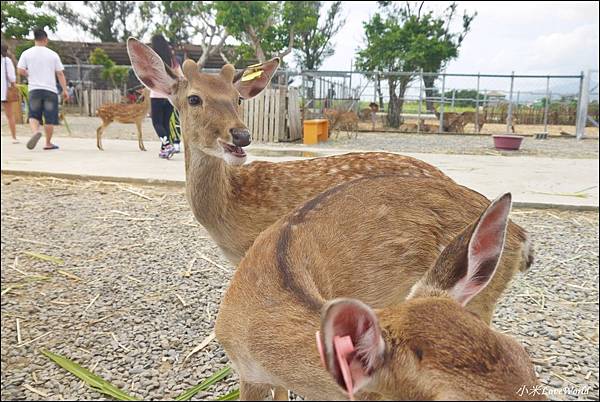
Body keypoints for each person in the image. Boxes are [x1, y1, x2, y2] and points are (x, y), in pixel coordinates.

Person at [17, 28, 69, 150]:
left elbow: (20, 70)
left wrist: (29, 73)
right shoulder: (53, 54)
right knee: (50, 117)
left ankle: (35, 132)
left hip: (34, 89)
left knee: (33, 115)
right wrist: (65, 90)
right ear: (45, 39)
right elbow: (60, 73)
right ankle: (48, 143)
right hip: (50, 90)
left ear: (34, 39)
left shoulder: (26, 53)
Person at [150, 34, 181, 159]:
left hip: (156, 95)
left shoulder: (152, 59)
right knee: (166, 123)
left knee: (157, 123)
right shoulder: (173, 60)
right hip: (169, 97)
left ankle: (167, 145)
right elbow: (181, 76)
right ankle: (164, 150)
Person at [1, 44, 18, 143]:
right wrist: (14, 85)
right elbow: (11, 77)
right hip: (5, 91)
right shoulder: (7, 61)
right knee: (10, 115)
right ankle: (13, 137)